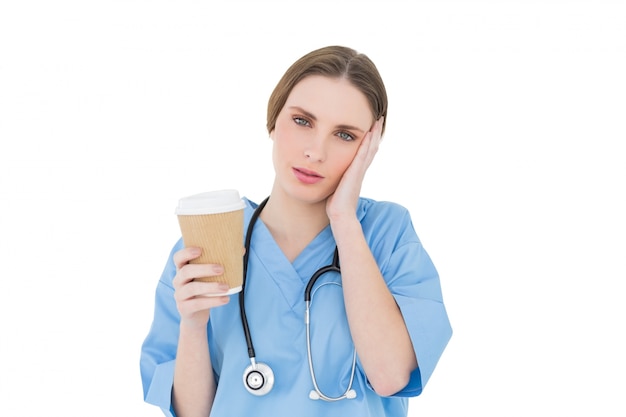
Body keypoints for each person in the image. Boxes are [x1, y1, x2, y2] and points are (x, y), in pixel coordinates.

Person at [140, 45, 452, 417]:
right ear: (273, 121)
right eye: (303, 121)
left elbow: (389, 377)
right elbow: (194, 414)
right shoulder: (213, 238)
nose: (315, 152)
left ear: (369, 148)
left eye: (345, 135)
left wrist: (344, 220)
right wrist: (192, 325)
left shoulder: (386, 234)